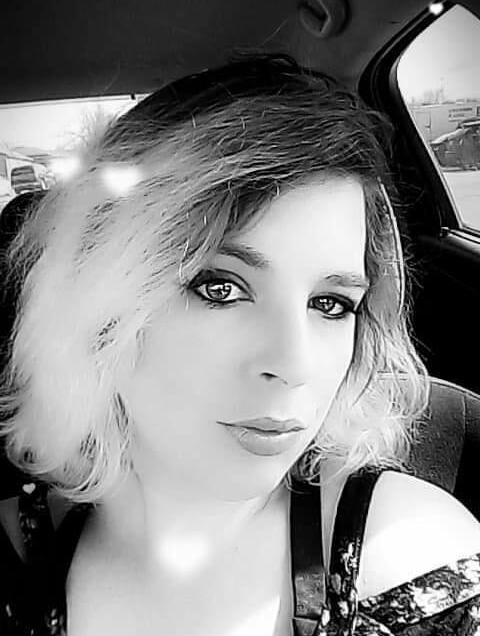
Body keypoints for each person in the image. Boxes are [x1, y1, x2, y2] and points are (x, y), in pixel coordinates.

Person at [0, 54, 480, 636]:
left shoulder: (411, 555)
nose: (294, 364)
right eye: (220, 288)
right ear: (95, 303)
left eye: (331, 304)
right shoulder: (15, 557)